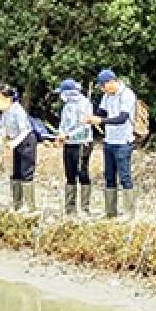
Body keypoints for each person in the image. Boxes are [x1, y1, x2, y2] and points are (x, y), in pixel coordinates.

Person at [84, 69, 137, 218]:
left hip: (123, 142)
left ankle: (129, 213)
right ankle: (110, 212)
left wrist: (100, 121)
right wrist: (91, 116)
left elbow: (122, 118)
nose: (102, 89)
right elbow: (102, 112)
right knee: (109, 176)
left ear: (111, 82)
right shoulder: (107, 96)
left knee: (125, 176)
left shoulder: (127, 95)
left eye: (103, 86)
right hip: (109, 141)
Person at [0, 85, 37, 211]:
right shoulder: (5, 111)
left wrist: (14, 142)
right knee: (16, 173)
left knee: (26, 173)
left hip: (26, 142)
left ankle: (30, 207)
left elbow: (25, 130)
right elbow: (3, 131)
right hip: (15, 143)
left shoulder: (18, 110)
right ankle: (17, 205)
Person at [55, 78, 94, 216]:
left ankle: (84, 208)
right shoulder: (67, 106)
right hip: (68, 144)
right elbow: (63, 124)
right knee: (70, 174)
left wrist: (69, 135)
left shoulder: (85, 104)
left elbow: (85, 127)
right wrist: (61, 134)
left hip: (82, 143)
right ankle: (70, 209)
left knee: (82, 173)